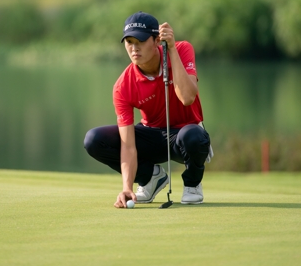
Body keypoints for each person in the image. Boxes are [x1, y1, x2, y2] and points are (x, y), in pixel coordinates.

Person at [84, 11, 212, 208]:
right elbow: (128, 145)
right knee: (94, 140)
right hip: (152, 136)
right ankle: (150, 178)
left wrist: (172, 51)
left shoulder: (182, 49)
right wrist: (127, 186)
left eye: (140, 41)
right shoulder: (123, 85)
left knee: (194, 136)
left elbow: (187, 98)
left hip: (185, 135)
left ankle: (192, 184)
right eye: (129, 42)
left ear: (156, 40)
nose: (134, 48)